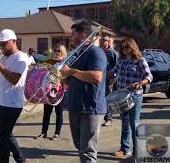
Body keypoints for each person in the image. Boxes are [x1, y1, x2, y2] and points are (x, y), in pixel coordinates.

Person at [60, 21, 107, 163]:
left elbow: (96, 76)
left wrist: (71, 71)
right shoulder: (76, 54)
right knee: (80, 146)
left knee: (87, 150)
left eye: (73, 34)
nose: (70, 37)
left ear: (82, 35)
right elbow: (72, 80)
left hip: (91, 108)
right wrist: (62, 76)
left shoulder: (95, 52)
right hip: (75, 106)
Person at [0, 29, 28, 163]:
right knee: (6, 135)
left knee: (3, 137)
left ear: (14, 41)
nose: (1, 47)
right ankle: (21, 160)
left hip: (13, 103)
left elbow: (14, 79)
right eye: (0, 44)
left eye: (4, 44)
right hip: (0, 102)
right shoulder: (3, 58)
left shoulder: (21, 57)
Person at [110, 37, 152, 157]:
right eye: (122, 47)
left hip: (135, 96)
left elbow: (149, 76)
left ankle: (137, 151)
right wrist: (108, 74)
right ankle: (124, 148)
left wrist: (141, 83)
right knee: (125, 122)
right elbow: (115, 71)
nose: (124, 50)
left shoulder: (140, 60)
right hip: (122, 95)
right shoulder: (121, 60)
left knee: (134, 123)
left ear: (132, 47)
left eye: (127, 47)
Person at [34, 44, 67, 140]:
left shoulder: (66, 63)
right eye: (56, 50)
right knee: (46, 113)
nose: (57, 52)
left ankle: (57, 133)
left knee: (59, 113)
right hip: (49, 90)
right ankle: (43, 132)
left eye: (59, 51)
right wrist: (36, 66)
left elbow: (66, 77)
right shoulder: (50, 62)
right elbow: (42, 68)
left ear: (63, 52)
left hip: (61, 90)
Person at [100, 35, 119, 126]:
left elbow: (118, 67)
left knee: (109, 99)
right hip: (100, 80)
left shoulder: (113, 53)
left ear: (109, 42)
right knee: (101, 99)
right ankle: (104, 118)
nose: (103, 41)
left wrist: (113, 78)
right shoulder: (99, 52)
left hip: (108, 80)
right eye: (102, 39)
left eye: (105, 40)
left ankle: (109, 119)